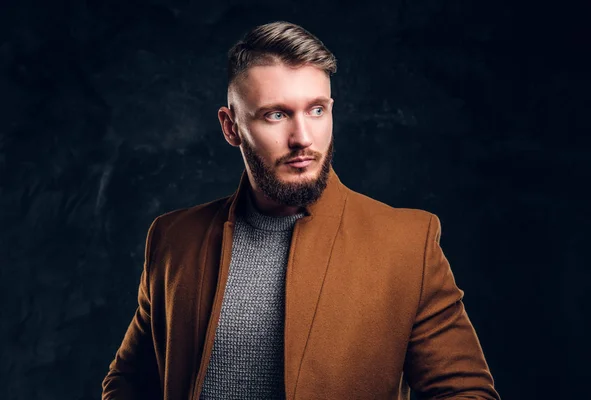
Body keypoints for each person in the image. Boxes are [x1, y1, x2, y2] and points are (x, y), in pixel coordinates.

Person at [102, 21, 500, 400]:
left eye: (316, 110)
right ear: (231, 127)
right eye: (276, 114)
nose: (303, 138)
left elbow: (466, 392)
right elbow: (129, 381)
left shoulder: (407, 245)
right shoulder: (174, 238)